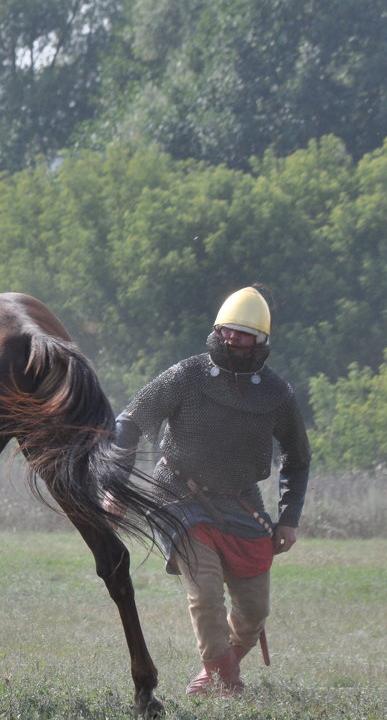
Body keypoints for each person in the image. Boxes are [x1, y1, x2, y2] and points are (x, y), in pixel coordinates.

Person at [112, 286, 310, 697]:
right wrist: (116, 482)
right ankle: (225, 682)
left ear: (260, 340)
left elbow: (297, 457)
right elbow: (130, 421)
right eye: (227, 331)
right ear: (217, 331)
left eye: (243, 333)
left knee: (255, 610)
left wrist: (289, 518)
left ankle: (219, 669)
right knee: (204, 594)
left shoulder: (276, 393)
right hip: (180, 496)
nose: (233, 339)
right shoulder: (187, 376)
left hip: (241, 502)